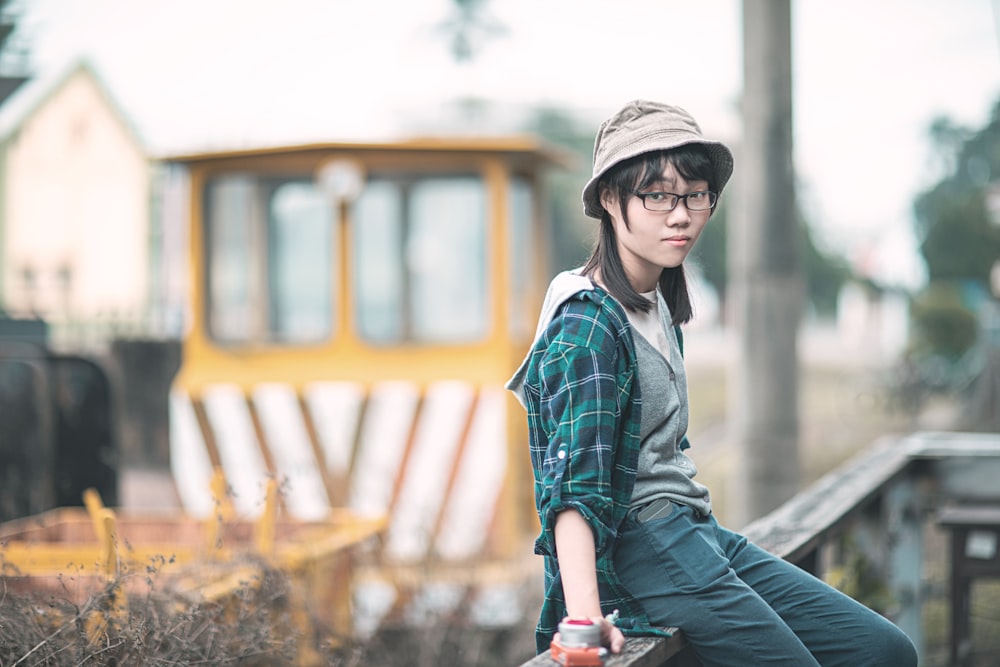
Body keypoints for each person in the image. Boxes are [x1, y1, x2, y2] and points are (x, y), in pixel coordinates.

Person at [505, 99, 917, 666]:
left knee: (882, 650)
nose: (680, 215)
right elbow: (572, 491)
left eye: (695, 195)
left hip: (697, 531)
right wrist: (582, 620)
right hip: (647, 546)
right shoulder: (587, 327)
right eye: (657, 196)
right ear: (608, 198)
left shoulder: (656, 304)